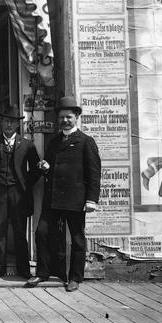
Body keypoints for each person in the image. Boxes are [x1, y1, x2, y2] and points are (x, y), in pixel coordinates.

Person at [26, 96, 101, 292]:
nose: (65, 121)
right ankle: (42, 273)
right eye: (62, 117)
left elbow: (94, 173)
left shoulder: (86, 142)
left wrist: (92, 199)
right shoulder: (54, 141)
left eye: (69, 117)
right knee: (41, 232)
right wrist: (45, 166)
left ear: (76, 117)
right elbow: (50, 165)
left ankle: (75, 278)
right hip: (53, 198)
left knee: (77, 239)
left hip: (75, 200)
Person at [0, 105, 41, 280]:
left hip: (19, 193)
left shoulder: (26, 145)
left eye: (13, 122)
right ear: (1, 123)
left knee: (19, 231)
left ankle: (23, 269)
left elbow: (37, 168)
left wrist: (25, 183)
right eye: (6, 121)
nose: (9, 125)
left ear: (18, 125)